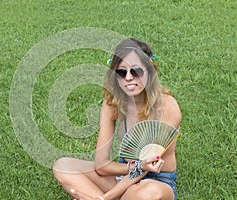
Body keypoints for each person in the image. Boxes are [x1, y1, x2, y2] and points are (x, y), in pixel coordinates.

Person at [53, 38, 182, 200]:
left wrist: (105, 198)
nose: (128, 77)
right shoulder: (112, 104)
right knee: (63, 166)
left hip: (157, 180)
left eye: (136, 71)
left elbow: (148, 167)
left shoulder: (167, 107)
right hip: (125, 172)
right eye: (121, 72)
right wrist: (132, 167)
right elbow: (101, 165)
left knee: (146, 193)